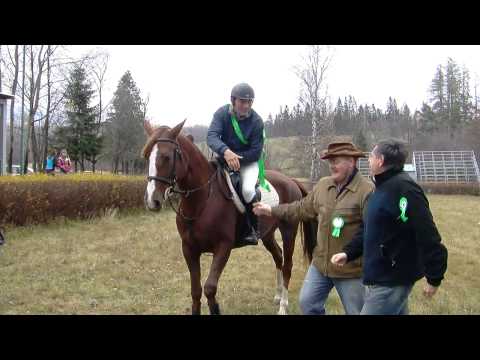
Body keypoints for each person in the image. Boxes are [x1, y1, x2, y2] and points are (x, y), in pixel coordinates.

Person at [254, 142, 374, 315]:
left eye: (336, 161)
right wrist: (272, 209)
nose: (332, 165)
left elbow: (369, 230)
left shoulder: (366, 191)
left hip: (350, 269)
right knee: (307, 303)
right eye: (330, 161)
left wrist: (349, 253)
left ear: (352, 162)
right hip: (320, 265)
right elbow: (301, 208)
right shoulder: (323, 185)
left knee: (356, 311)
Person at [331, 139, 448, 315]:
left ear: (381, 161)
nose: (368, 159)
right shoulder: (381, 188)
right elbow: (370, 227)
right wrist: (349, 252)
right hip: (381, 275)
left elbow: (427, 233)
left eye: (371, 155)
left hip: (392, 278)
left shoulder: (404, 190)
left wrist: (434, 276)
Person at [207, 83, 265, 246]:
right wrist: (225, 152)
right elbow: (211, 136)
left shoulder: (257, 122)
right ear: (233, 100)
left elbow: (255, 152)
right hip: (223, 158)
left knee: (247, 190)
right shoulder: (221, 114)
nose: (246, 105)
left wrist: (236, 159)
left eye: (249, 102)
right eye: (242, 101)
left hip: (248, 162)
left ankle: (252, 230)